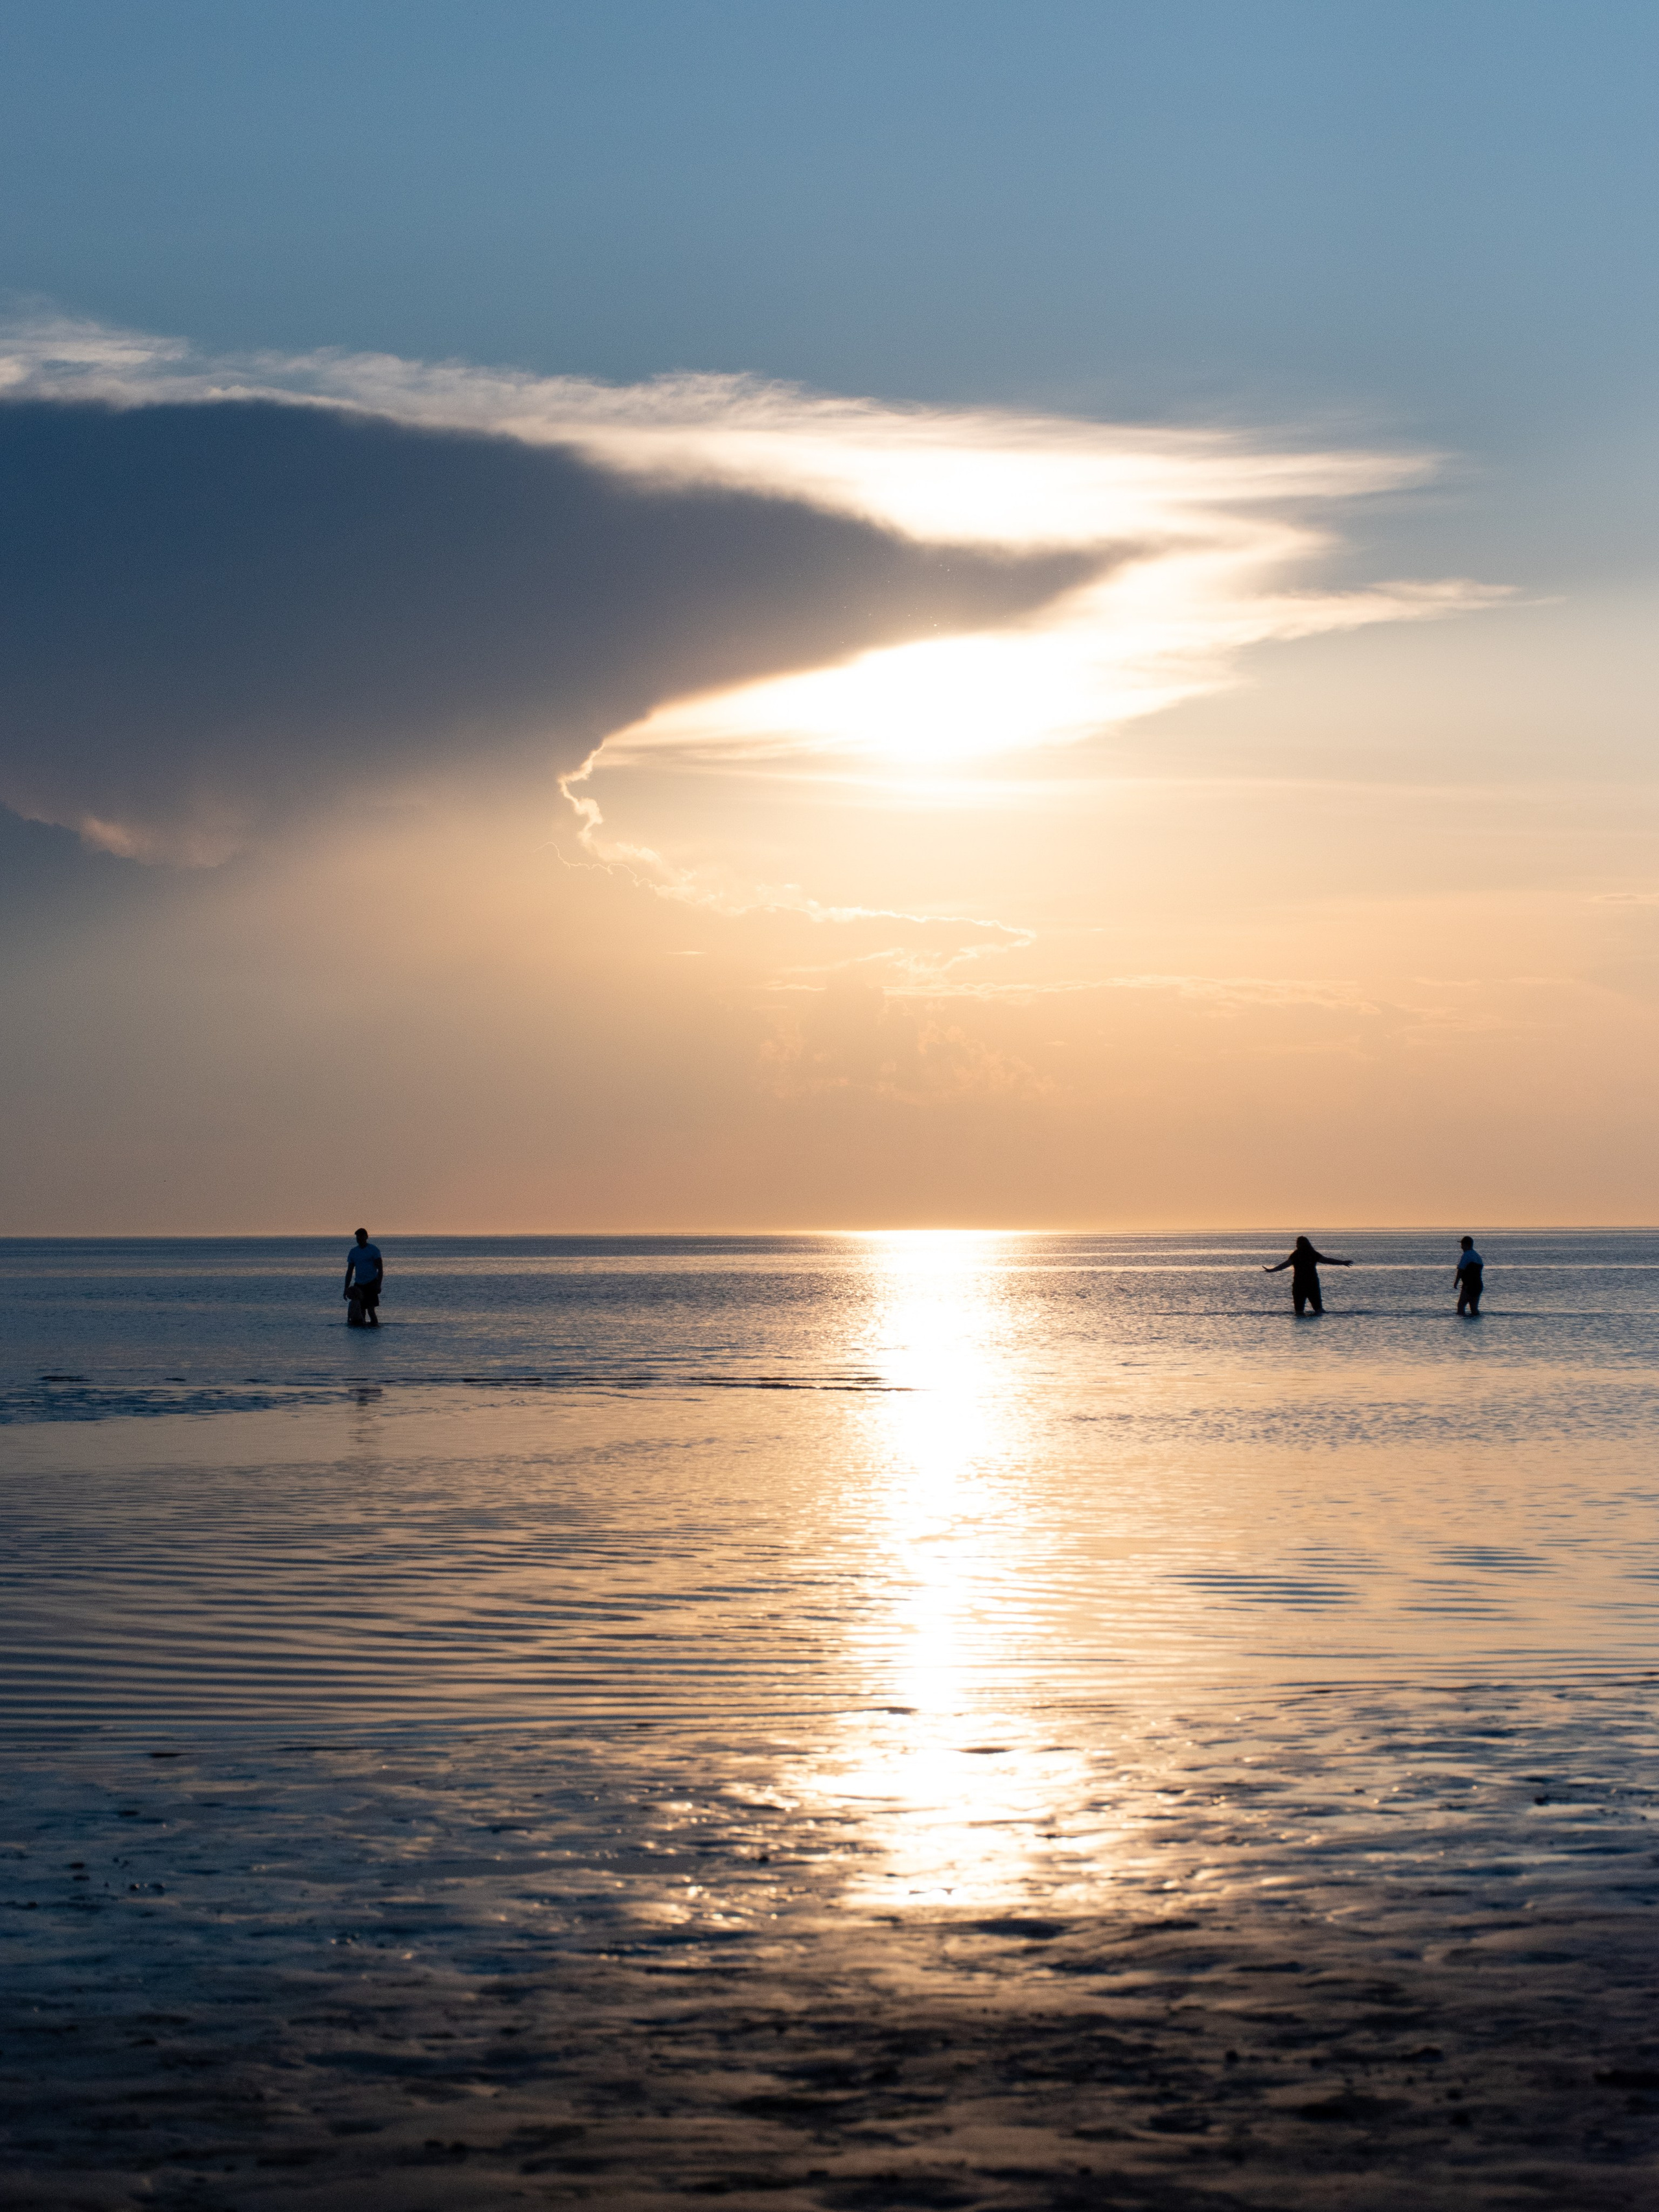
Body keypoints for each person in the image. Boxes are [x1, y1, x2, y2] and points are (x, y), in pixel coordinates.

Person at [1264, 1235, 1352, 1316]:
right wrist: (1342, 1263)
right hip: (1312, 1283)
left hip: (1299, 1284)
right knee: (1319, 1310)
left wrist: (1272, 1270)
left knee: (1299, 1312)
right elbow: (1327, 1260)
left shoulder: (1296, 1255)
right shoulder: (1312, 1253)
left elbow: (1285, 1265)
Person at [343, 1228, 384, 1327]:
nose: (359, 1239)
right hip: (359, 1284)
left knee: (371, 1310)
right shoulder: (354, 1252)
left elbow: (380, 1269)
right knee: (360, 1310)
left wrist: (378, 1285)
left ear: (366, 1237)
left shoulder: (373, 1250)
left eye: (361, 1237)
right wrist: (346, 1288)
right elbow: (349, 1271)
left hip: (371, 1283)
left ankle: (375, 1327)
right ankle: (363, 1331)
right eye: (358, 1237)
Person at [1454, 1235, 1485, 1316]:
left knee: (1461, 1306)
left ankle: (1463, 1326)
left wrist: (1456, 1283)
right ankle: (1476, 1326)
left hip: (1469, 1286)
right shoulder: (1477, 1256)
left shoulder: (1466, 1255)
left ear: (1466, 1245)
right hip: (1478, 1286)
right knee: (1474, 1309)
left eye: (1462, 1245)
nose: (1461, 1247)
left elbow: (1461, 1270)